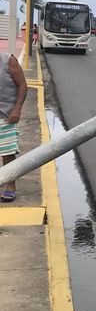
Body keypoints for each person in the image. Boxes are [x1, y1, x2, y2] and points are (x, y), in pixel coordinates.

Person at [0, 53, 28, 202]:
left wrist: (17, 109)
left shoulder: (9, 61)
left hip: (6, 114)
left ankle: (11, 186)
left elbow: (22, 85)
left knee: (7, 152)